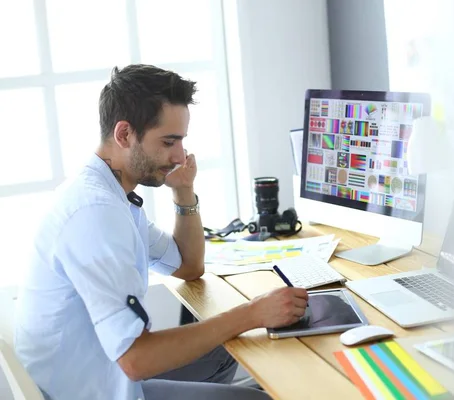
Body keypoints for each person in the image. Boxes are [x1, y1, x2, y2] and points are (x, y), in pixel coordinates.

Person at [14, 64, 309, 400]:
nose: (180, 155)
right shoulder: (95, 214)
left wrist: (183, 192)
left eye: (181, 141)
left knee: (225, 351)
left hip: (101, 371)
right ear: (124, 134)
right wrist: (252, 313)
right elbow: (138, 360)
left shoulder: (113, 193)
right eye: (169, 141)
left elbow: (187, 265)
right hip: (98, 389)